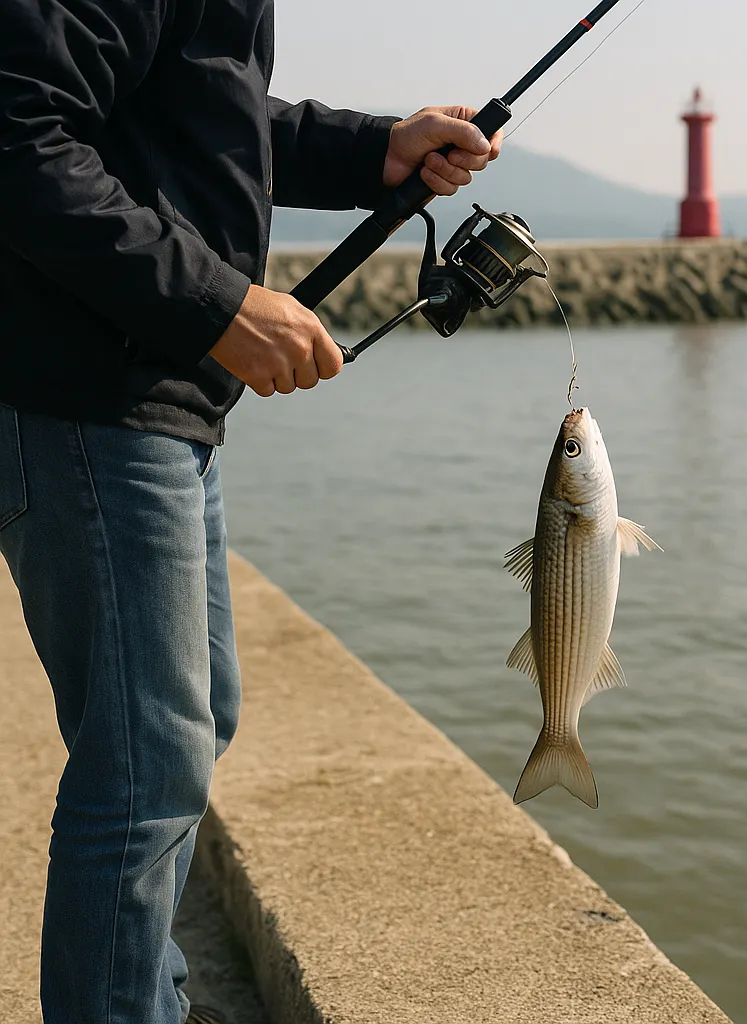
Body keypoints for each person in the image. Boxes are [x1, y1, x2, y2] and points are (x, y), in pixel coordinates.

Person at [0, 2, 502, 1022]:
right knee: (146, 763)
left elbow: (199, 112)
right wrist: (218, 304)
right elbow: (17, 131)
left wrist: (376, 150)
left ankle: (143, 993)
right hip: (91, 396)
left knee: (192, 720)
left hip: (155, 390)